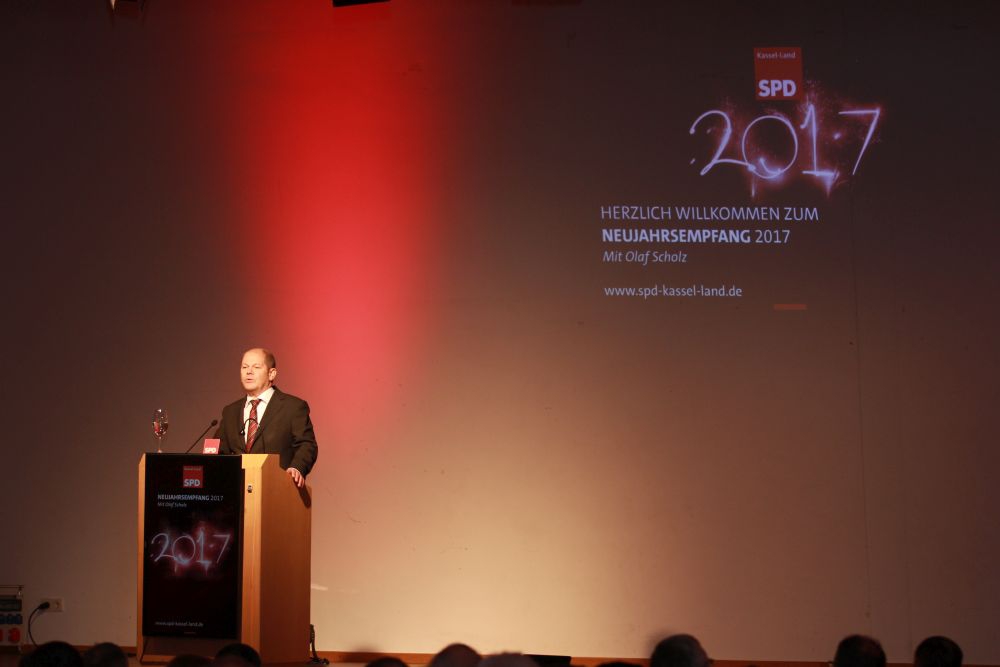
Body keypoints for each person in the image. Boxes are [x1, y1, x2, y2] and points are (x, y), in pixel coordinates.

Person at [213, 348, 318, 488]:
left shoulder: (293, 407)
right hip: (236, 489)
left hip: (277, 489)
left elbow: (307, 445)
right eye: (244, 367)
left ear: (271, 373)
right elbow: (218, 451)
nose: (249, 371)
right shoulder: (230, 411)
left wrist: (297, 468)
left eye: (256, 367)